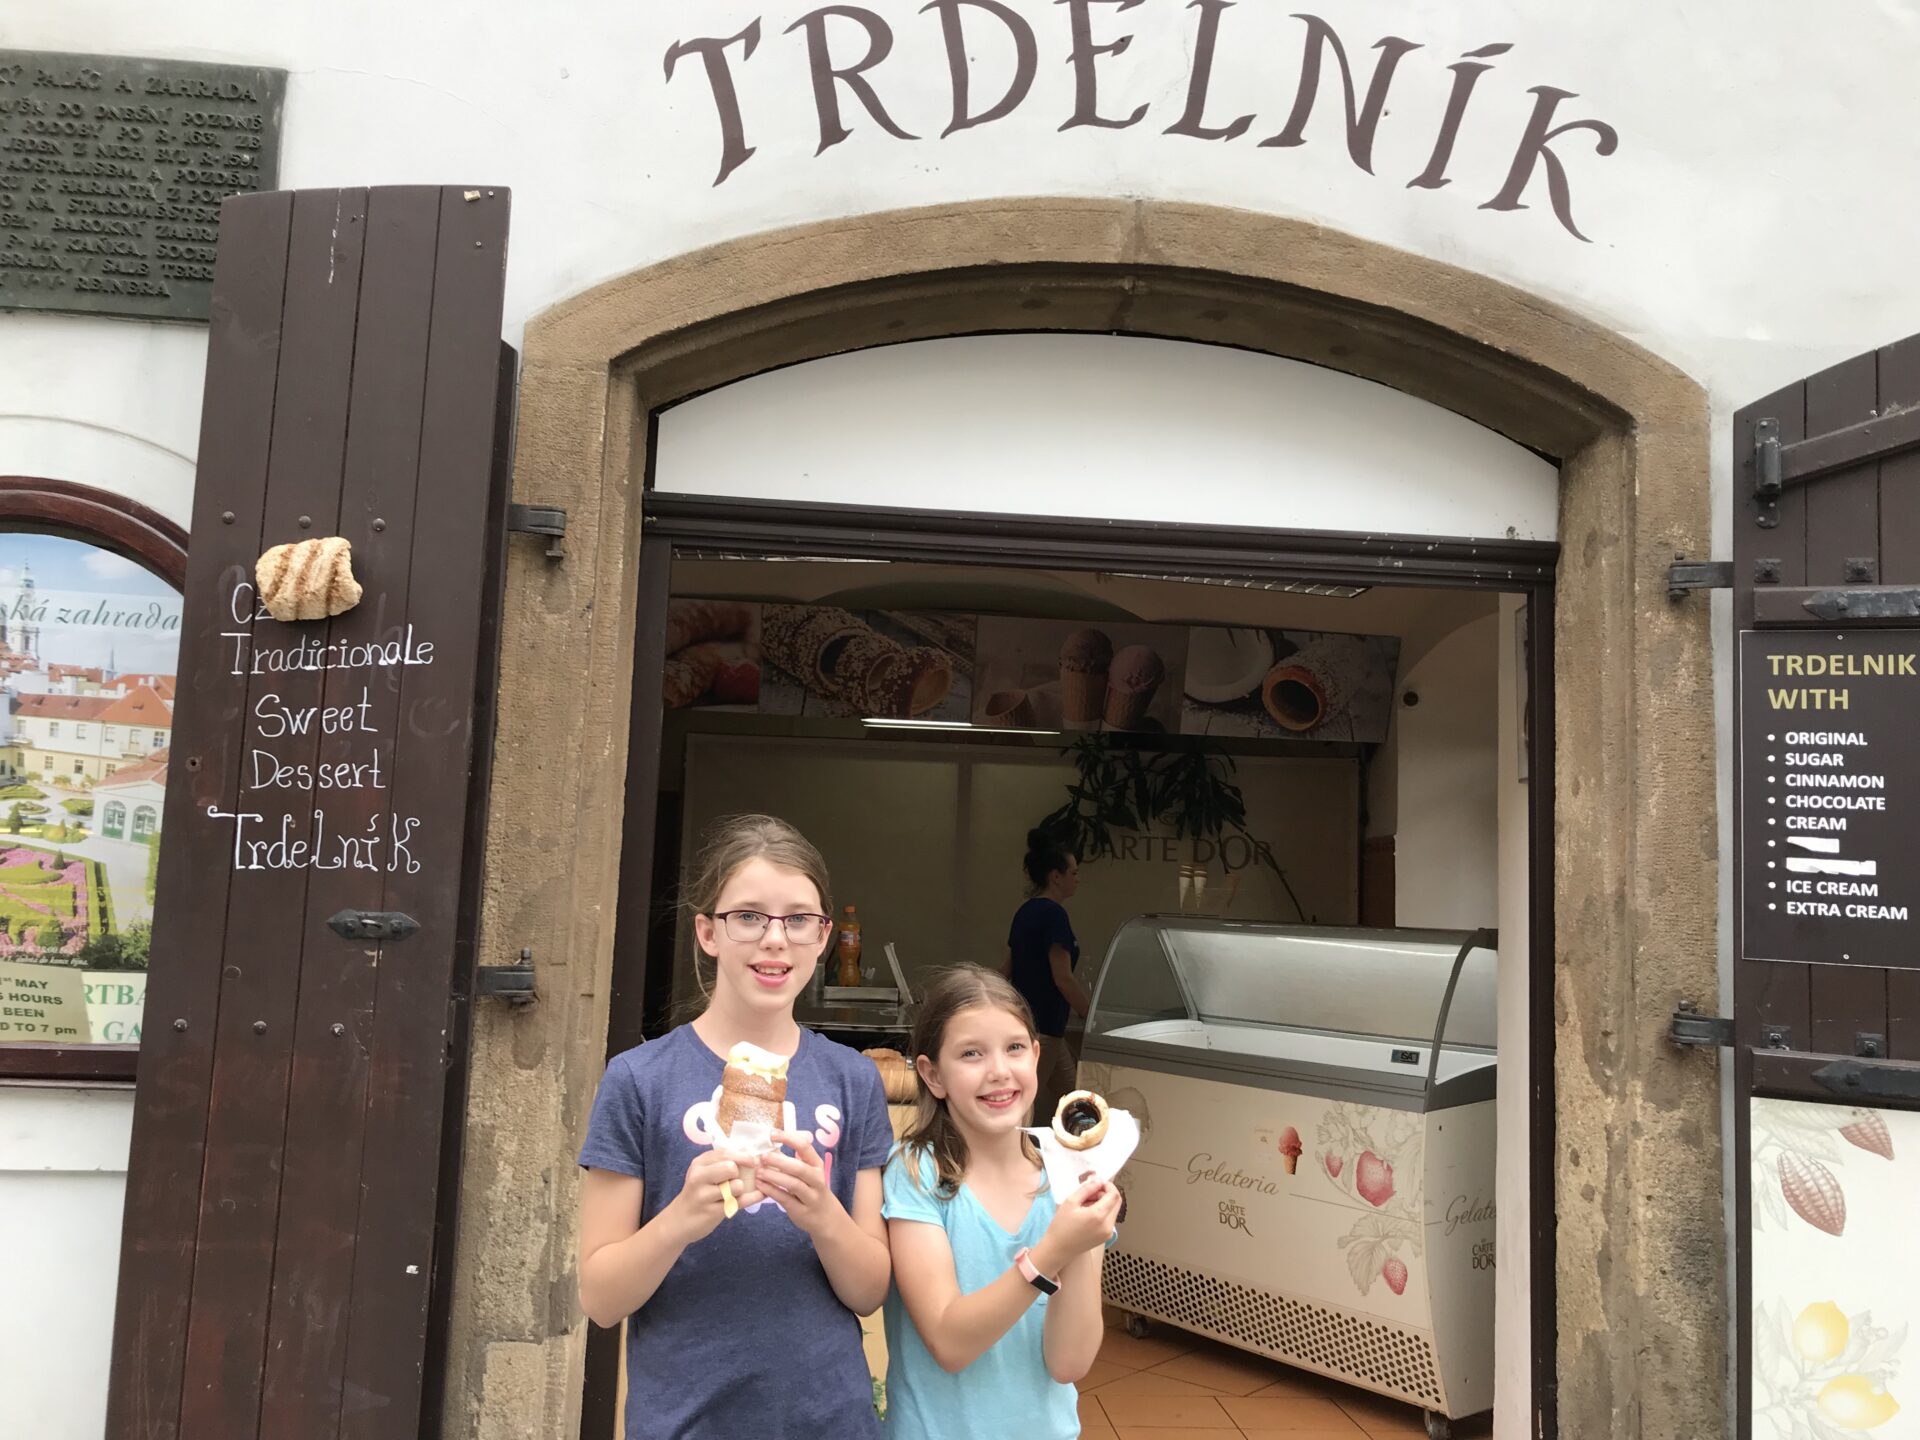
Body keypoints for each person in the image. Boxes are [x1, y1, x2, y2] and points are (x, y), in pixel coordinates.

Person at [577, 814, 893, 1439]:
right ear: (707, 932)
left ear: (824, 936)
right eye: (748, 916)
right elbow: (602, 1299)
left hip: (829, 1418)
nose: (774, 939)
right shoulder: (639, 1079)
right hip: (686, 1419)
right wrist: (680, 1220)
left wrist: (822, 1216)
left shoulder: (852, 1081)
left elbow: (869, 1290)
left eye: (798, 918)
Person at [881, 966, 1122, 1440]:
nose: (998, 1071)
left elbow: (1069, 1362)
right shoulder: (914, 1174)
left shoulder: (1067, 1180)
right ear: (933, 1075)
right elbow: (950, 1343)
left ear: (1036, 1056)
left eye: (1014, 1048)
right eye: (971, 1053)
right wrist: (1052, 1252)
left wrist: (1084, 1244)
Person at [1003, 829, 1090, 1125]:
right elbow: (1062, 977)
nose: (1077, 879)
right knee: (1021, 1105)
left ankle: (1083, 1149)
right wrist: (1090, 1014)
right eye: (1074, 873)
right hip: (1045, 1027)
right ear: (1056, 876)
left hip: (1029, 1022)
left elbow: (1007, 969)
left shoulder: (1025, 912)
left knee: (1076, 1096)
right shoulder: (1054, 916)